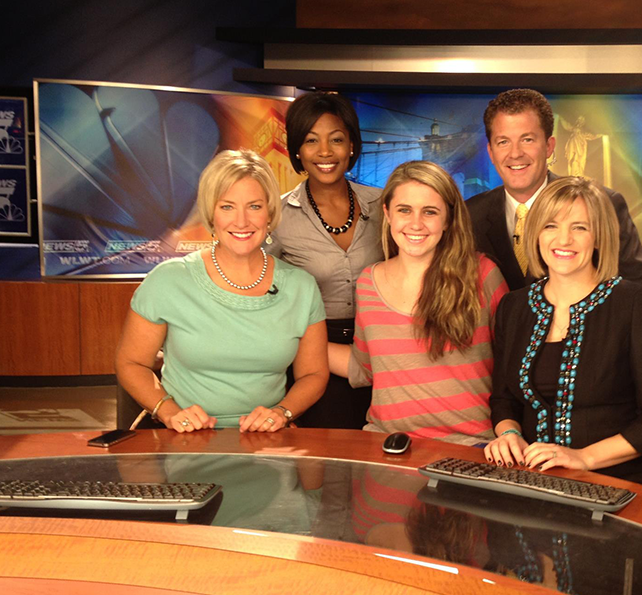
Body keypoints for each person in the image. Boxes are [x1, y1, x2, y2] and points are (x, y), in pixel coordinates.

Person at [466, 88, 642, 392]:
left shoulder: (602, 204)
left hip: (588, 381)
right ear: (490, 151)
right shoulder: (469, 217)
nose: (515, 153)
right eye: (503, 141)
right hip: (502, 382)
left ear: (549, 146)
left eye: (527, 139)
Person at [485, 177, 642, 491]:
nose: (563, 240)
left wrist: (583, 458)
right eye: (551, 226)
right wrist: (508, 434)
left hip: (620, 482)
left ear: (599, 237)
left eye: (579, 227)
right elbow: (504, 399)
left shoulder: (636, 303)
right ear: (535, 233)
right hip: (533, 480)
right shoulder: (514, 307)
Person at [116, 149, 329, 433]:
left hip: (268, 439)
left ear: (269, 212)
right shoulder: (167, 281)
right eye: (227, 206)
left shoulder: (302, 286)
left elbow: (313, 374)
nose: (241, 221)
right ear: (211, 214)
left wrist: (281, 413)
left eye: (254, 206)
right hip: (182, 438)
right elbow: (131, 363)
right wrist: (170, 413)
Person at [328, 160, 508, 445]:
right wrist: (291, 341)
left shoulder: (483, 275)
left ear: (448, 218)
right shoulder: (368, 283)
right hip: (386, 445)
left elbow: (512, 370)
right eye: (404, 210)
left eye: (430, 212)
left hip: (469, 446)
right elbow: (365, 369)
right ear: (387, 213)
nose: (415, 223)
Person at [268, 92, 383, 429]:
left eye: (336, 139)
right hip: (313, 353)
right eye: (311, 141)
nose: (324, 152)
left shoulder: (383, 205)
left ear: (351, 145)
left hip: (380, 347)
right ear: (297, 152)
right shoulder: (278, 216)